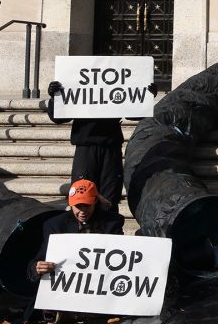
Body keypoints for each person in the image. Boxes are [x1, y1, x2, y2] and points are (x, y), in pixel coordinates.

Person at [45, 79, 156, 212]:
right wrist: (55, 98)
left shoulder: (117, 85)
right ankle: (84, 231)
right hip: (86, 147)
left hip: (110, 146)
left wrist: (147, 97)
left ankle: (109, 230)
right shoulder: (77, 83)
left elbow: (134, 113)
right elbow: (58, 118)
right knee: (82, 196)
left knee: (110, 196)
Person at [27, 179, 126, 283]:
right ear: (70, 203)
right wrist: (37, 268)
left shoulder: (112, 223)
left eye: (87, 206)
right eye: (78, 206)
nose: (82, 211)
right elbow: (39, 260)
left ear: (95, 201)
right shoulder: (55, 225)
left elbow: (120, 256)